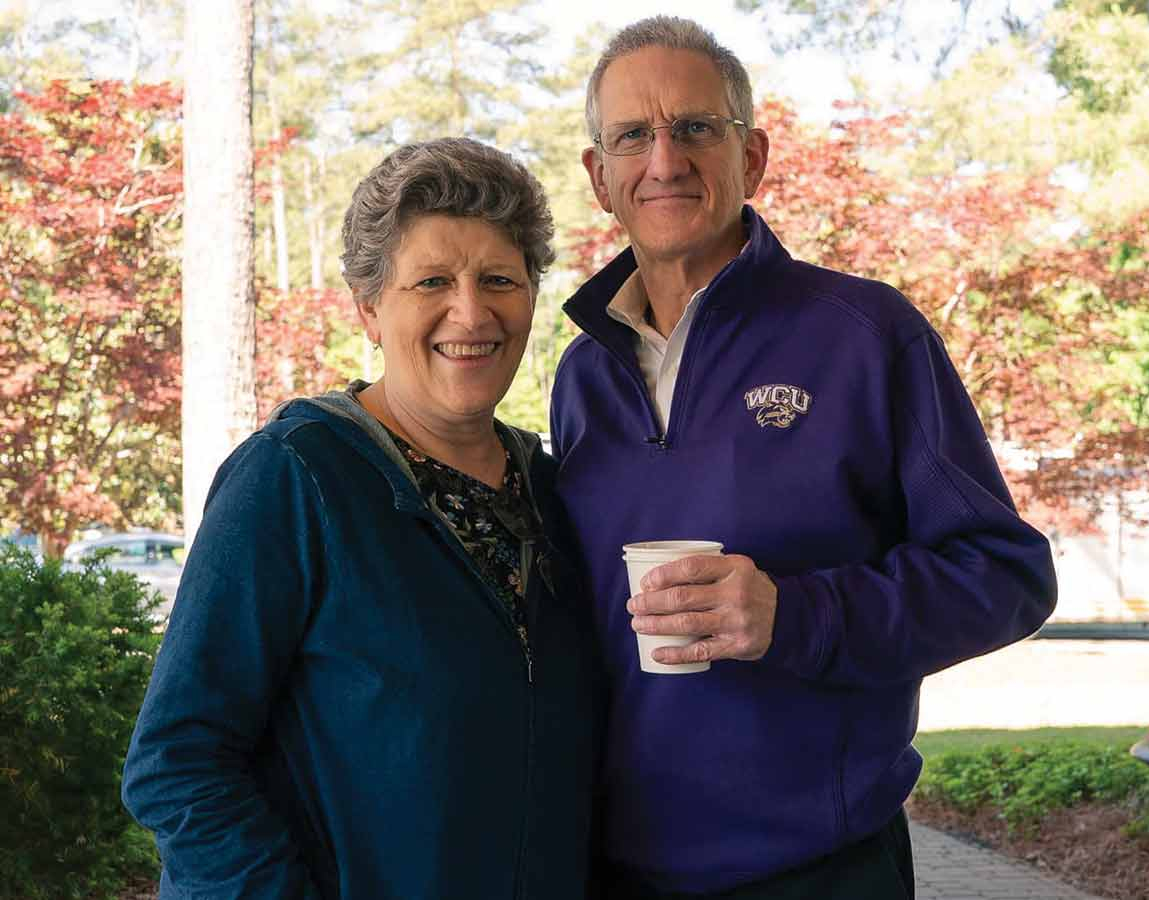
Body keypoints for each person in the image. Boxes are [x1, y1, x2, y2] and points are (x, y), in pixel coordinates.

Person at [549, 16, 1057, 900]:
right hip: (620, 868)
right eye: (632, 135)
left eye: (697, 128)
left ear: (754, 157)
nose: (664, 160)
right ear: (600, 177)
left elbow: (1006, 575)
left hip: (820, 870)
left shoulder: (865, 334)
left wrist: (796, 614)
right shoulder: (582, 374)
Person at [122, 137, 598, 899]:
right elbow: (178, 760)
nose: (470, 312)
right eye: (433, 281)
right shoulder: (297, 476)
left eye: (500, 279)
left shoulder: (549, 490)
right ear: (371, 308)